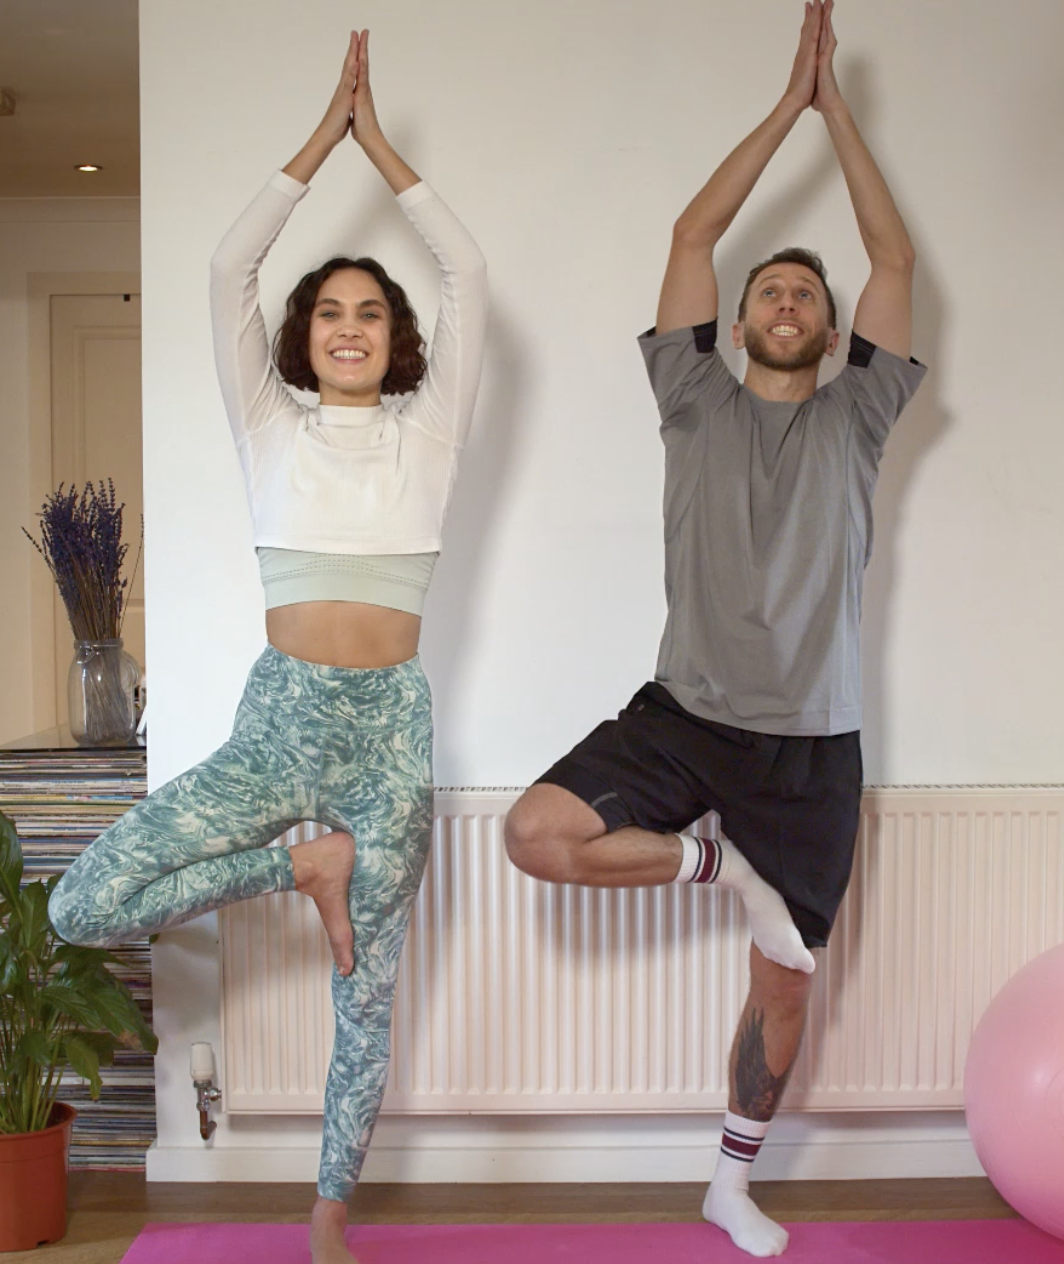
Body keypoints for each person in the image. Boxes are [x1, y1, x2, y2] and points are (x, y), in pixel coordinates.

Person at [49, 30, 487, 1264]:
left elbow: (470, 270)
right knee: (85, 901)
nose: (348, 326)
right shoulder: (266, 422)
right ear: (302, 336)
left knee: (370, 989)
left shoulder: (431, 431)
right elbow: (229, 262)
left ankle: (328, 1213)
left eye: (369, 312)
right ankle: (302, 869)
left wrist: (385, 153)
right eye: (329, 312)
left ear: (394, 337)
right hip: (282, 717)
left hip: (389, 723)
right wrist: (319, 142)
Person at [505, 2, 924, 1256]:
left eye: (804, 290)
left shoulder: (860, 416)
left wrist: (838, 115)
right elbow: (692, 230)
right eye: (767, 290)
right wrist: (783, 106)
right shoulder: (689, 399)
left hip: (812, 744)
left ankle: (728, 1184)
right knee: (532, 832)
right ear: (736, 326)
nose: (785, 297)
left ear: (830, 329)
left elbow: (892, 263)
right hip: (680, 716)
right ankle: (714, 867)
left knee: (783, 989)